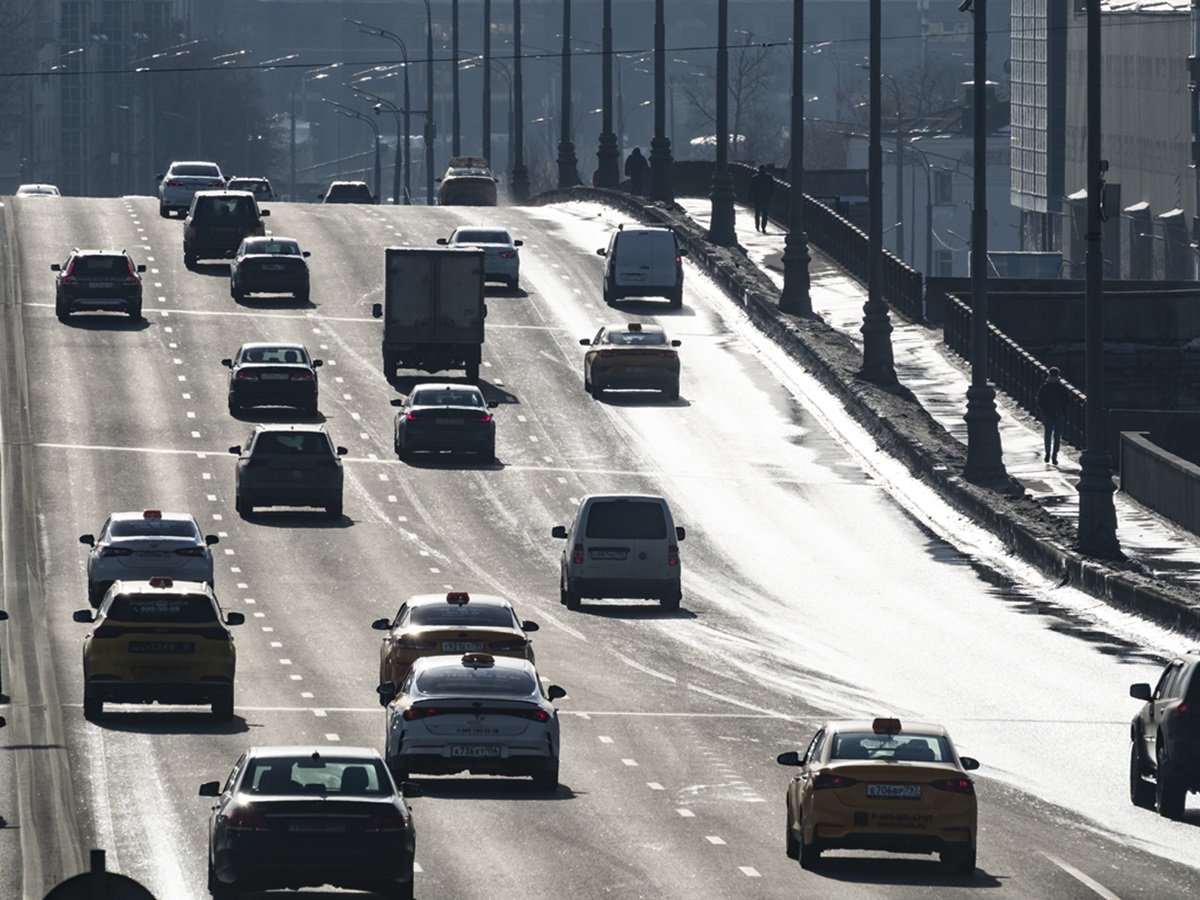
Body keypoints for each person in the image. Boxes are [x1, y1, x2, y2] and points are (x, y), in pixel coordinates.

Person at [1036, 366, 1069, 465]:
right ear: (1058, 375)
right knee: (1057, 435)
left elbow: (1039, 400)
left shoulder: (1044, 387)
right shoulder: (1061, 387)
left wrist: (1044, 409)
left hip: (1047, 413)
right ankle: (1054, 455)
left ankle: (1047, 453)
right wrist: (1063, 410)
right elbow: (1067, 400)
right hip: (1059, 413)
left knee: (1047, 434)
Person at [750, 164, 775, 233]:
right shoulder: (769, 178)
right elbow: (772, 188)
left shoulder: (755, 178)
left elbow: (751, 189)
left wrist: (750, 197)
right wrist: (771, 196)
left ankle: (757, 226)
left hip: (757, 198)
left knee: (757, 213)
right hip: (766, 198)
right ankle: (763, 227)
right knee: (765, 214)